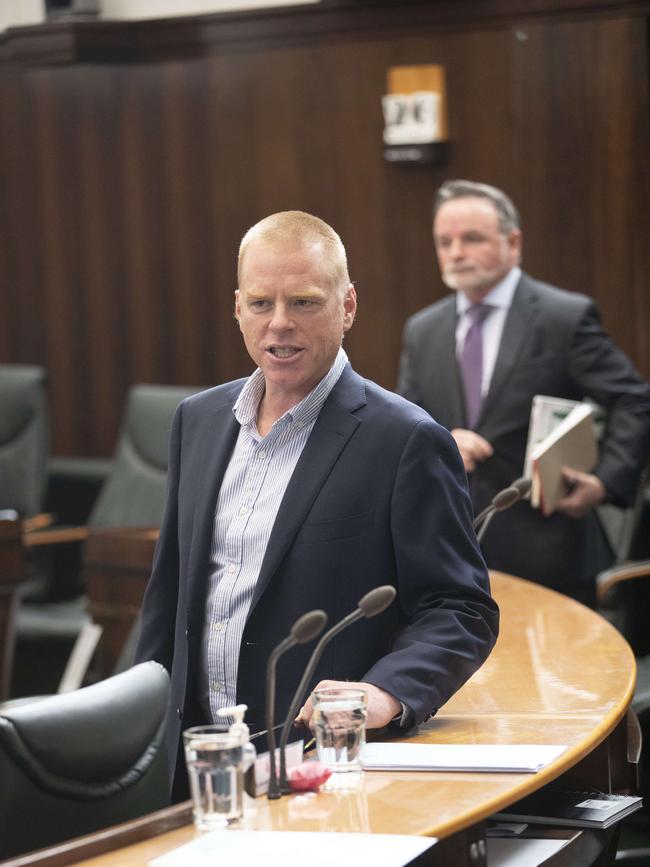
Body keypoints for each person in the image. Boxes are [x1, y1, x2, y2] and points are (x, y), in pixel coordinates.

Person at [136, 210, 499, 799]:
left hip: (315, 764)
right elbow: (170, 596)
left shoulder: (405, 440)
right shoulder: (196, 421)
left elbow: (460, 608)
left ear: (347, 305)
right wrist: (139, 733)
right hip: (194, 762)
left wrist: (385, 692)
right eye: (260, 304)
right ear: (237, 307)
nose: (279, 325)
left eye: (303, 303)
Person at [398, 179, 650, 607]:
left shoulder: (562, 317)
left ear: (512, 242)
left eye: (471, 239)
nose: (455, 252)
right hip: (454, 551)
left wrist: (605, 482)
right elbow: (407, 421)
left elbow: (633, 400)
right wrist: (444, 441)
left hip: (550, 550)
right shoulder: (422, 330)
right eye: (445, 241)